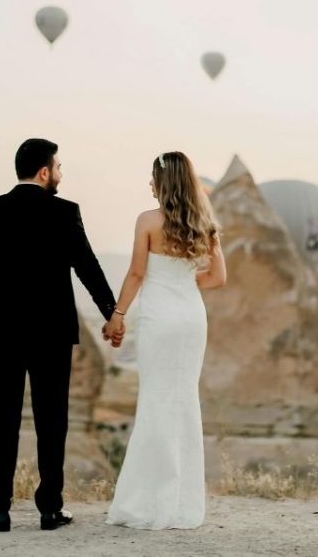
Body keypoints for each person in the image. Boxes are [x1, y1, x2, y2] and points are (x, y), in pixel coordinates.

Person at [0, 138, 123, 532]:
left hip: (1, 332)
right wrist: (111, 312)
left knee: (3, 420)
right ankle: (50, 509)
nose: (61, 176)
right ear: (45, 171)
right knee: (53, 420)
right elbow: (87, 266)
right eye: (59, 168)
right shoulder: (65, 212)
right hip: (52, 332)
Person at [105, 151, 227, 530]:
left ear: (162, 182)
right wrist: (184, 284)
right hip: (191, 318)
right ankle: (183, 506)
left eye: (152, 178)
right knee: (184, 403)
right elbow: (218, 278)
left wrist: (117, 314)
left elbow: (136, 273)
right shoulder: (205, 223)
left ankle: (147, 503)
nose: (149, 185)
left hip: (159, 320)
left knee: (156, 403)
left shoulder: (147, 220)